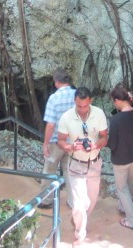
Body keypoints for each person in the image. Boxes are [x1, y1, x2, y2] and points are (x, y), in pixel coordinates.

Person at [57, 87, 108, 245]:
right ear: (74, 101)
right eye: (79, 106)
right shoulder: (66, 117)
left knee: (91, 201)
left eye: (85, 106)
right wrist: (71, 147)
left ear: (91, 101)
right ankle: (80, 236)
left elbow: (104, 137)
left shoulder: (99, 114)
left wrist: (95, 145)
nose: (82, 109)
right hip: (76, 165)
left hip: (94, 164)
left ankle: (78, 220)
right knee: (79, 204)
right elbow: (60, 141)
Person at [108, 85, 133, 231]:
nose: (114, 104)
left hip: (121, 159)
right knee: (130, 184)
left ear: (117, 100)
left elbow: (112, 144)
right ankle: (123, 207)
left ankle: (132, 221)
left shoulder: (115, 120)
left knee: (121, 189)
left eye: (113, 101)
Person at [38, 68, 77, 208]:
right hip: (72, 140)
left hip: (56, 141)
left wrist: (45, 144)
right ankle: (73, 201)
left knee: (49, 169)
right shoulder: (77, 95)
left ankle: (46, 200)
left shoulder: (54, 98)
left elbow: (50, 125)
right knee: (69, 171)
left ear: (56, 82)